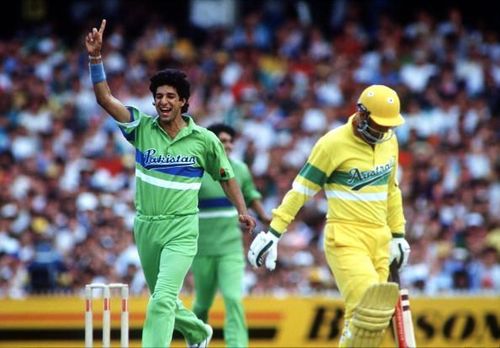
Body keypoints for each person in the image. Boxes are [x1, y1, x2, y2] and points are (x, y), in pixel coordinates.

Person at [85, 19, 256, 348]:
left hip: (182, 229)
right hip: (146, 226)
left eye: (170, 96)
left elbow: (226, 176)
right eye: (158, 96)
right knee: (160, 297)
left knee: (162, 299)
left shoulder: (204, 140)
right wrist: (95, 60)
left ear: (183, 102)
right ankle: (197, 331)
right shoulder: (141, 128)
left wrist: (242, 210)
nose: (163, 101)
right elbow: (106, 100)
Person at [248, 85, 411, 347]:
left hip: (380, 239)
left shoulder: (390, 140)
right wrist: (275, 232)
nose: (383, 132)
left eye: (387, 127)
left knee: (370, 326)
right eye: (378, 125)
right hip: (346, 237)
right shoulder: (332, 143)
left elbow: (392, 191)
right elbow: (301, 190)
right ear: (362, 114)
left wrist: (398, 235)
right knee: (371, 304)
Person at [192, 123, 271, 348]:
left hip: (230, 248)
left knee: (233, 299)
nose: (229, 145)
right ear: (212, 144)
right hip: (202, 249)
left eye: (230, 141)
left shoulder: (240, 169)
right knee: (202, 305)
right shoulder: (197, 170)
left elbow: (251, 194)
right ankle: (197, 342)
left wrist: (264, 216)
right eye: (223, 141)